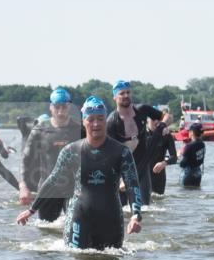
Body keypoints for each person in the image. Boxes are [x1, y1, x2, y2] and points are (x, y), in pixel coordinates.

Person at [16, 97, 142, 249]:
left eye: (100, 119)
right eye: (91, 119)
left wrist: (136, 215)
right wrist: (32, 210)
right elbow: (53, 181)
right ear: (84, 121)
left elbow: (132, 183)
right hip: (79, 217)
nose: (96, 124)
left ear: (105, 121)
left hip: (111, 218)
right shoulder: (71, 151)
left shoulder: (121, 151)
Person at [19, 87, 85, 221]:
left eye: (64, 107)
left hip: (73, 189)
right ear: (51, 107)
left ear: (69, 107)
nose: (60, 111)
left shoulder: (80, 129)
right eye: (57, 107)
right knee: (46, 230)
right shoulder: (39, 130)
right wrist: (23, 186)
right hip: (48, 190)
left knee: (75, 229)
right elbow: (26, 159)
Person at [105, 80, 163, 208]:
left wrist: (165, 124)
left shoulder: (143, 110)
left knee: (144, 208)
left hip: (142, 166)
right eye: (122, 93)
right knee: (122, 209)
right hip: (121, 170)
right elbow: (110, 154)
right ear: (115, 97)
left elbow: (164, 116)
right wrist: (120, 179)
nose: (126, 96)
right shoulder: (111, 122)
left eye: (128, 92)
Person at [147, 111, 178, 198]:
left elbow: (174, 157)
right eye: (153, 119)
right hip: (143, 175)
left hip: (158, 176)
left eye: (159, 119)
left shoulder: (166, 136)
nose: (156, 122)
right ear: (147, 120)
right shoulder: (141, 134)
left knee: (158, 205)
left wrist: (164, 163)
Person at [178, 123, 206, 188]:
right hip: (198, 173)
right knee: (196, 192)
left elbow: (182, 164)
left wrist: (179, 157)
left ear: (192, 132)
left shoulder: (189, 146)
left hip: (188, 173)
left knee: (185, 194)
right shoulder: (202, 144)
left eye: (189, 131)